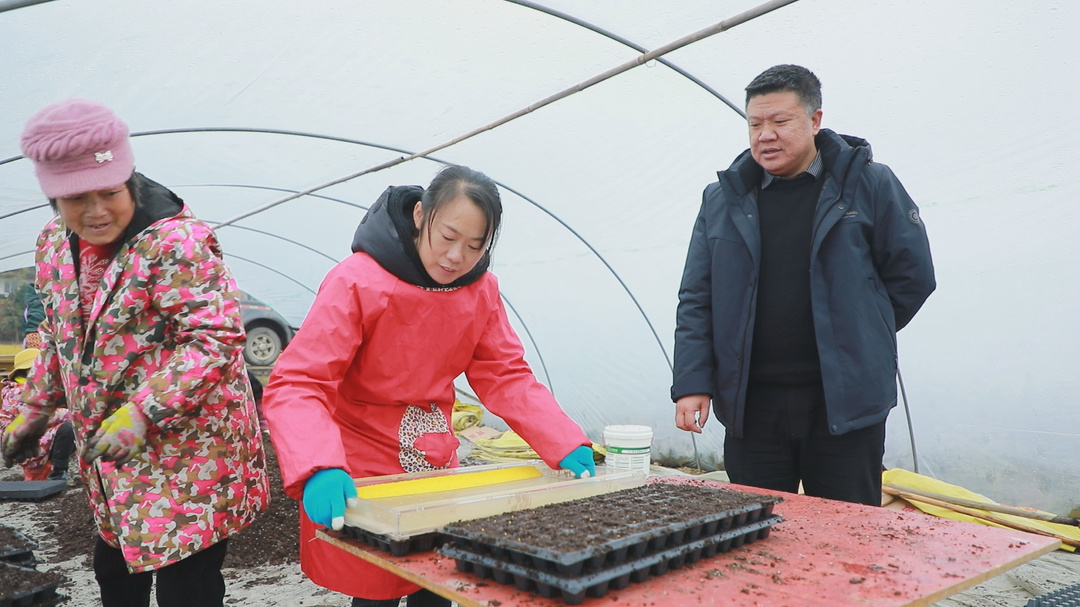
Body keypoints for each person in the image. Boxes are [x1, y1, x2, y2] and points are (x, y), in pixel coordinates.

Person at [262, 165, 596, 607]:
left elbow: (505, 373)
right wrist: (317, 465)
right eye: (448, 237)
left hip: (433, 462)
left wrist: (563, 439)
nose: (457, 256)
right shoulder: (358, 281)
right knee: (378, 582)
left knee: (438, 582)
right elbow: (301, 381)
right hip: (361, 467)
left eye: (474, 246)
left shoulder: (481, 292)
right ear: (421, 215)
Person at [1, 98, 270, 607]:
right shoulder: (56, 246)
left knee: (186, 586)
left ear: (129, 179)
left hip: (192, 453)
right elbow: (65, 338)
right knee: (115, 572)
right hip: (114, 458)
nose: (97, 210)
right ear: (53, 198)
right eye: (77, 198)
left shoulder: (174, 242)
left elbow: (214, 339)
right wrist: (36, 410)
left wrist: (143, 410)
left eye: (110, 192)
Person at [671, 65, 936, 507]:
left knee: (846, 533)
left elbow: (913, 276)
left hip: (843, 405)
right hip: (751, 406)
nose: (765, 136)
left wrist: (861, 331)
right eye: (755, 124)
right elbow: (697, 298)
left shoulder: (868, 184)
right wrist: (692, 381)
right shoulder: (723, 198)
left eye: (780, 122)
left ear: (814, 121)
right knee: (754, 533)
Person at [0, 347, 74, 481]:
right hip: (23, 446)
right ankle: (57, 473)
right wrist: (77, 414)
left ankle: (48, 469)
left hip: (30, 441)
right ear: (28, 371)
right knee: (70, 428)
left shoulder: (31, 389)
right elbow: (40, 417)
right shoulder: (17, 393)